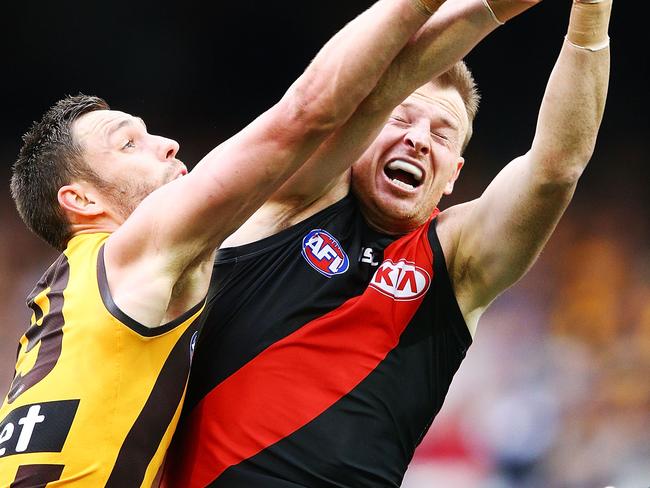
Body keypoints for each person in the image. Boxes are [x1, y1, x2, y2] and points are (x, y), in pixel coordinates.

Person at [162, 0, 613, 486]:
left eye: (442, 135)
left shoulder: (457, 261)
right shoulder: (289, 200)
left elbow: (556, 168)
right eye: (401, 120)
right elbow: (356, 93)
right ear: (362, 131)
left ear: (452, 178)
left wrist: (591, 13)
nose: (419, 140)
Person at [0, 1, 451, 485]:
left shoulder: (68, 297)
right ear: (81, 200)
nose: (167, 143)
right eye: (128, 144)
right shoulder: (132, 253)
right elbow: (307, 112)